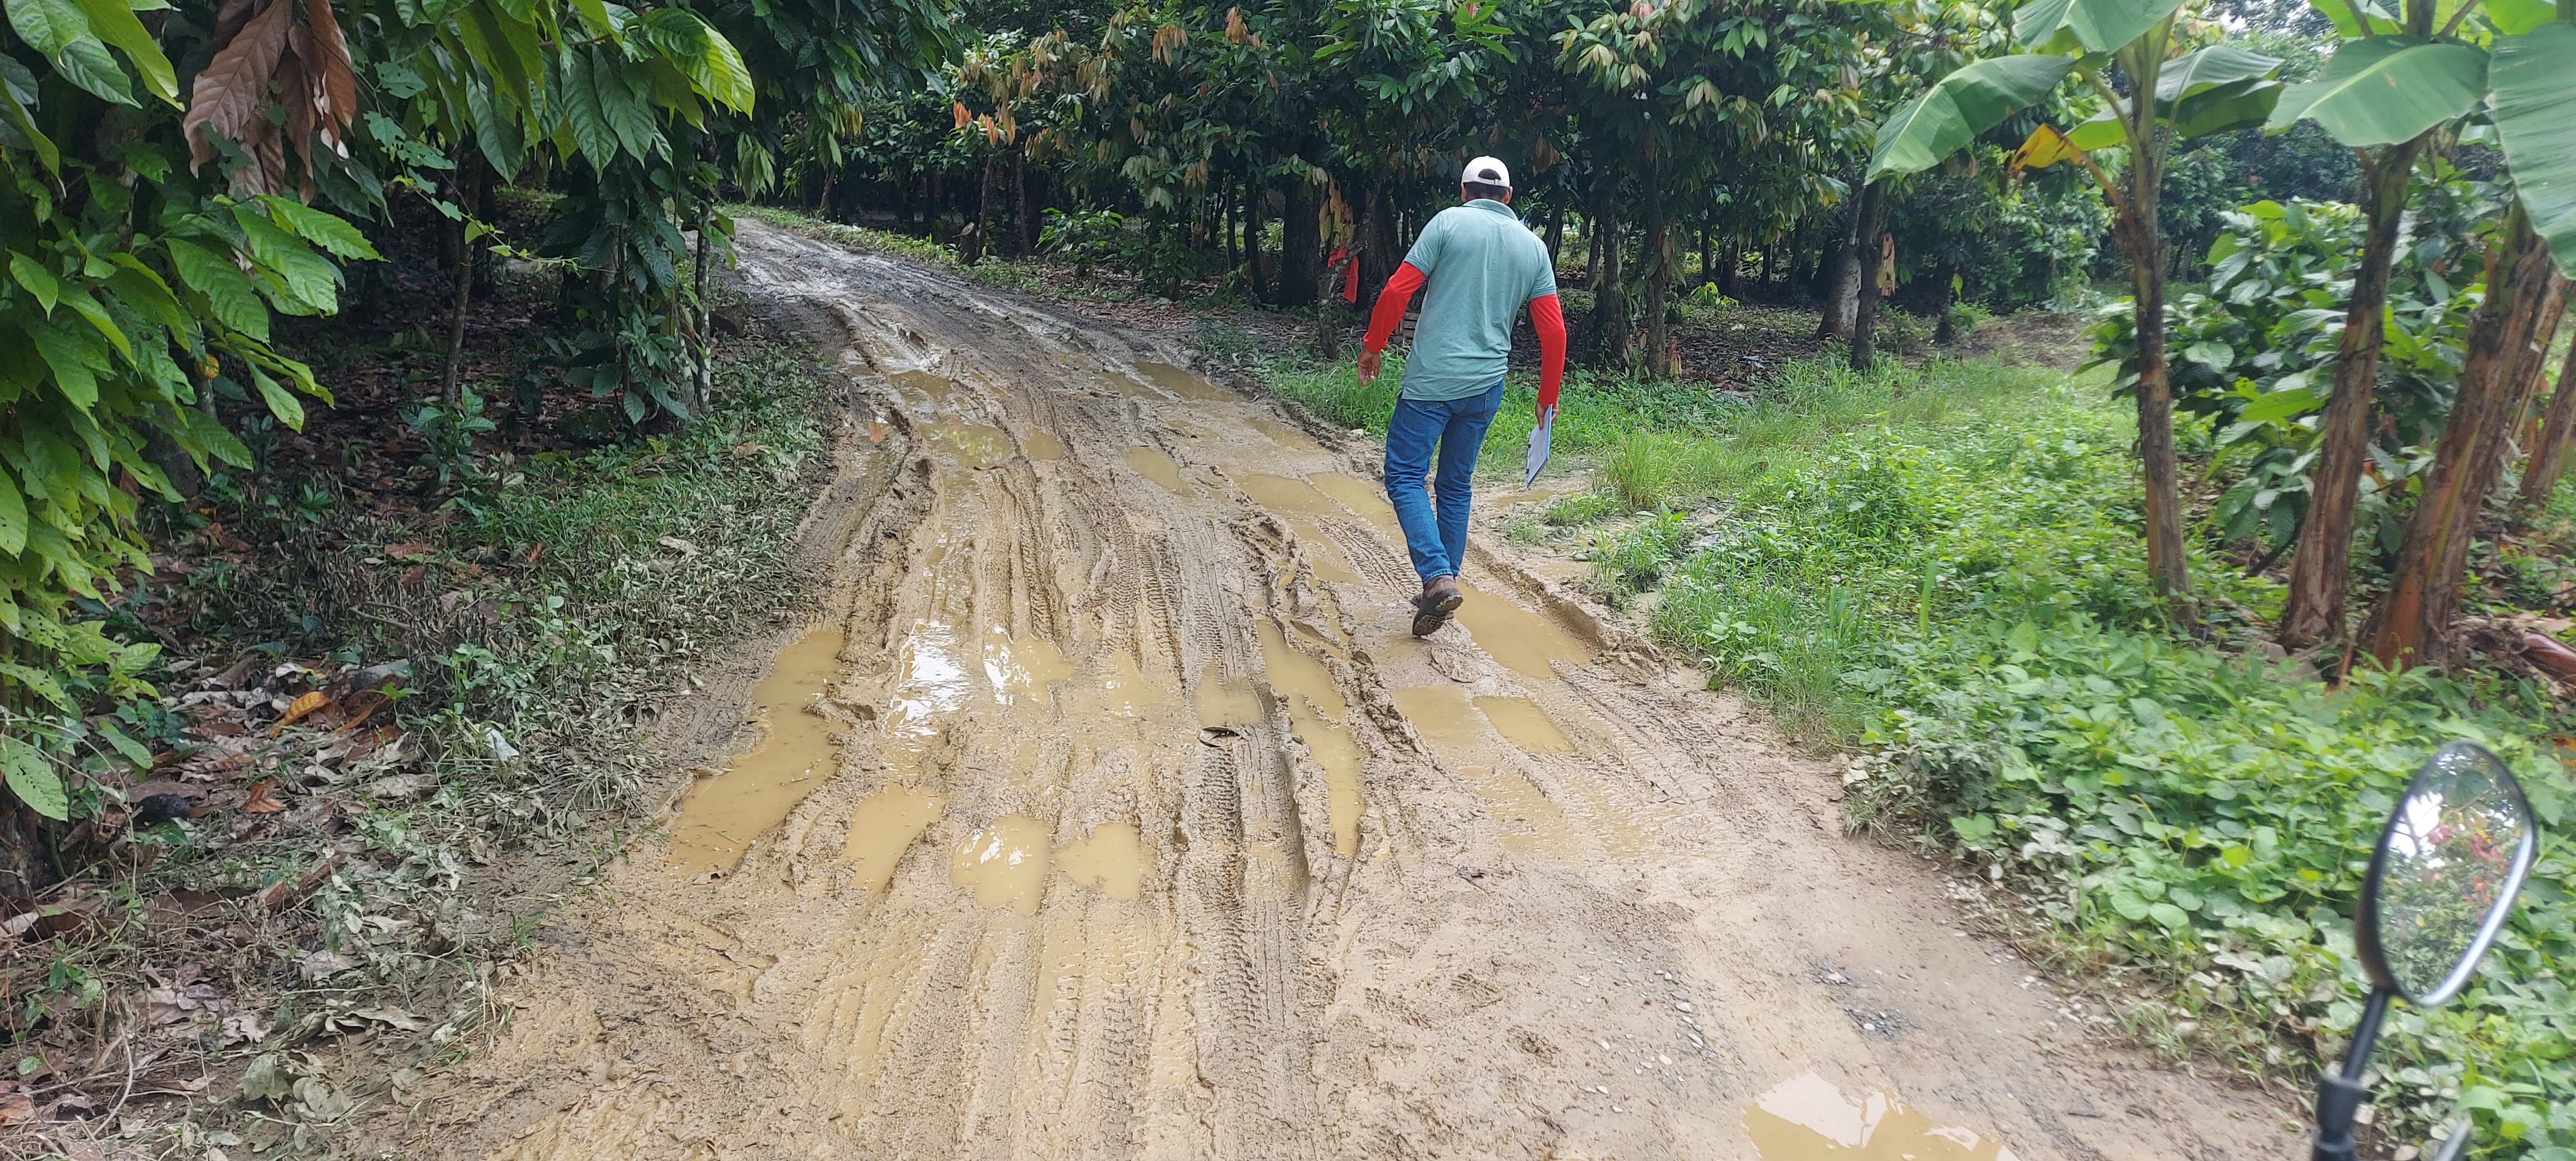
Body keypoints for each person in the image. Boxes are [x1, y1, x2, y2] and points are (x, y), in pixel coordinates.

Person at [1358, 155, 1567, 637]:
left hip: (1431, 382)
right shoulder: (1533, 247)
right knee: (1455, 486)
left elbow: (1396, 292)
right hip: (1486, 387)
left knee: (1405, 475)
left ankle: (1437, 578)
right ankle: (1442, 586)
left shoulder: (1448, 223)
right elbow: (1554, 332)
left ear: (1464, 191)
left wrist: (1374, 346)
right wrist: (1547, 395)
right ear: (1508, 197)